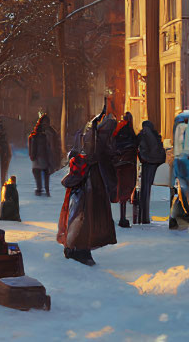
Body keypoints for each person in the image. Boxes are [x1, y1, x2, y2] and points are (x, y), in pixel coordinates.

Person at [58, 103, 118, 266]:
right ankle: (78, 249)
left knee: (81, 215)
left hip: (87, 181)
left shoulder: (92, 131)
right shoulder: (97, 137)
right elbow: (100, 158)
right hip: (89, 182)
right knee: (83, 216)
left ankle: (76, 248)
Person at [135, 119, 165, 225]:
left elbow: (138, 146)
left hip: (147, 163)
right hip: (156, 163)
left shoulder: (143, 135)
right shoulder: (155, 135)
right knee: (150, 189)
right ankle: (147, 216)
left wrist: (142, 157)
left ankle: (144, 217)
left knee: (145, 190)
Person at [113, 111, 138, 228]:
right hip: (129, 166)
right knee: (126, 189)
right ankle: (123, 218)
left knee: (121, 190)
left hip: (119, 166)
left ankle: (122, 217)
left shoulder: (118, 130)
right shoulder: (131, 133)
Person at [28, 113, 58, 197]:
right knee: (42, 172)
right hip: (40, 156)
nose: (45, 124)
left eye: (47, 122)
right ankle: (42, 189)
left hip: (43, 156)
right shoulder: (44, 133)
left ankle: (41, 189)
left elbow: (52, 145)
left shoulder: (47, 132)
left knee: (41, 172)